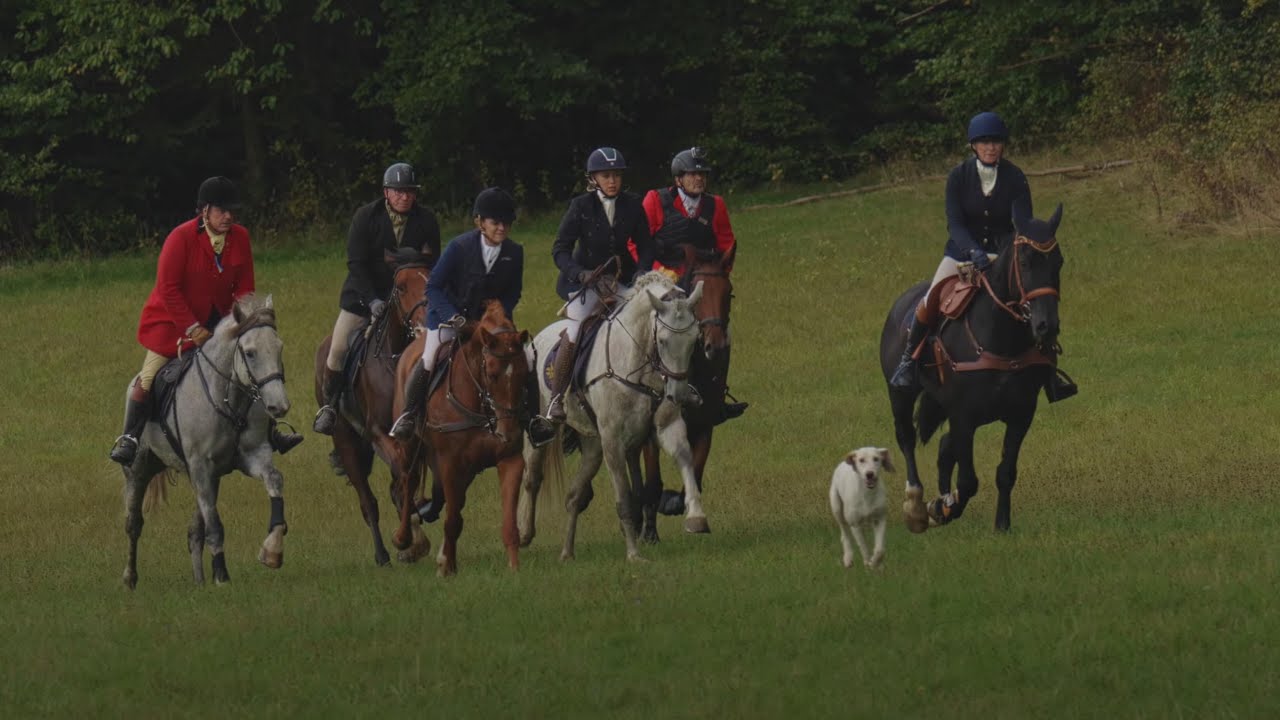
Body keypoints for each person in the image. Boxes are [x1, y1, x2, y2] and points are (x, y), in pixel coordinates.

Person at [109, 176, 302, 465]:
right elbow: (168, 289)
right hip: (172, 324)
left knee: (250, 371)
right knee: (148, 377)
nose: (228, 216)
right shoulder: (180, 238)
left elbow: (245, 288)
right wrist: (192, 328)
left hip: (221, 323)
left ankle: (270, 432)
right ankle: (130, 438)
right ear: (204, 211)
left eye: (231, 210)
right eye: (221, 210)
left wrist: (243, 322)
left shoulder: (241, 237)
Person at [889, 111, 1077, 401]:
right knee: (930, 300)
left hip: (1002, 257)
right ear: (974, 146)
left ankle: (1049, 373)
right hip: (961, 255)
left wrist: (1000, 254)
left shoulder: (1015, 177)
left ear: (1003, 145)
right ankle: (908, 362)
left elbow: (1022, 223)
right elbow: (955, 223)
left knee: (1032, 302)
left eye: (996, 142)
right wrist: (972, 251)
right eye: (985, 142)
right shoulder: (958, 177)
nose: (991, 147)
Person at [389, 187, 530, 440]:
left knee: (524, 359)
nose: (502, 228)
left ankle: (532, 420)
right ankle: (409, 415)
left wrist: (500, 315)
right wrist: (452, 316)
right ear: (480, 222)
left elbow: (513, 293)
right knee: (430, 358)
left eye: (506, 223)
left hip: (490, 326)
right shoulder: (459, 247)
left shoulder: (514, 252)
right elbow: (433, 286)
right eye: (495, 222)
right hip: (449, 318)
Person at [313, 162, 442, 435]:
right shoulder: (365, 217)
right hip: (363, 297)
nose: (404, 196)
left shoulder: (427, 220)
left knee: (436, 348)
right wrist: (372, 300)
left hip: (411, 302)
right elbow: (356, 264)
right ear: (386, 192)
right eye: (398, 191)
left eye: (409, 191)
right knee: (337, 349)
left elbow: (433, 265)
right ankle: (330, 407)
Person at [539, 146, 656, 424]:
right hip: (586, 283)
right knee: (575, 328)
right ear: (594, 179)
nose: (613, 181)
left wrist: (641, 274)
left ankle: (664, 386)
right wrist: (579, 274)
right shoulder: (580, 206)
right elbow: (560, 249)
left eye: (616, 175)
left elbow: (647, 247)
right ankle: (557, 397)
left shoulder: (632, 204)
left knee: (651, 319)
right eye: (606, 176)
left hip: (622, 280)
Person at [641, 146, 748, 421]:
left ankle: (716, 396)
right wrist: (659, 273)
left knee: (721, 331)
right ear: (678, 178)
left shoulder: (716, 205)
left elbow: (726, 245)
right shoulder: (655, 201)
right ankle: (645, 391)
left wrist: (718, 276)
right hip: (664, 281)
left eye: (702, 174)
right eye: (692, 174)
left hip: (700, 280)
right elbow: (638, 243)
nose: (699, 179)